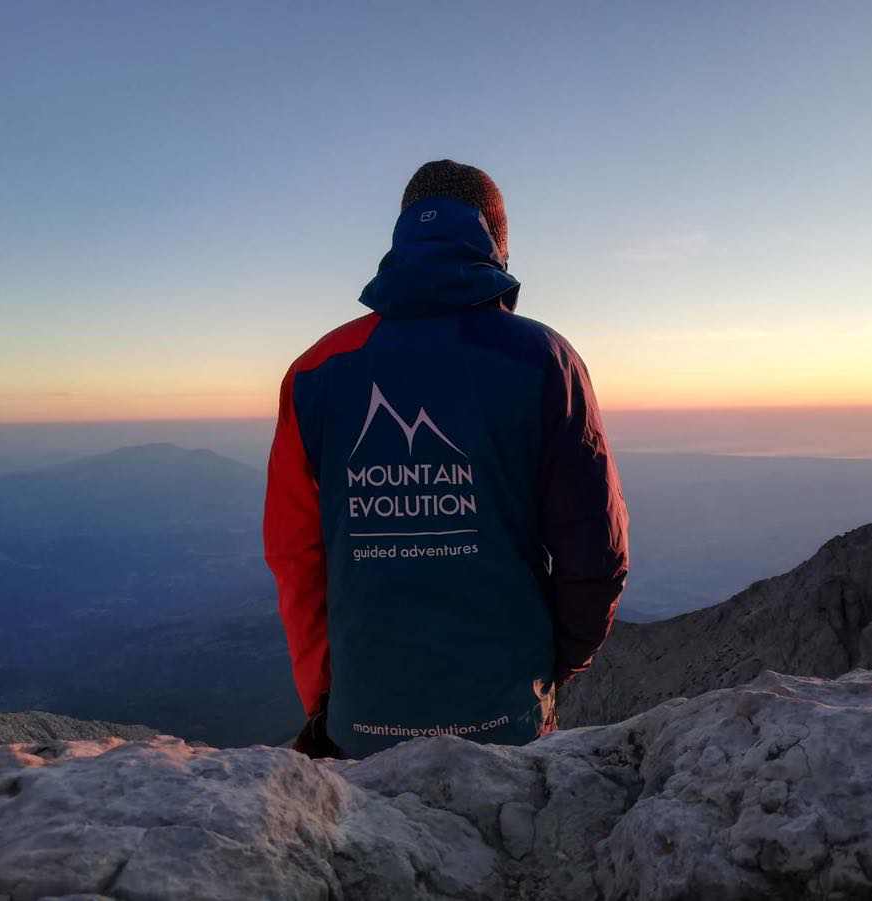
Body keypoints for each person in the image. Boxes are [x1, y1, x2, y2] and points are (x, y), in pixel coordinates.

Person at [264, 160, 629, 760]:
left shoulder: (314, 372)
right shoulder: (543, 359)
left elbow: (294, 555)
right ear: (496, 242)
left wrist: (328, 700)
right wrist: (543, 675)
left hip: (360, 725)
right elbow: (596, 551)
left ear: (401, 234)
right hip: (506, 724)